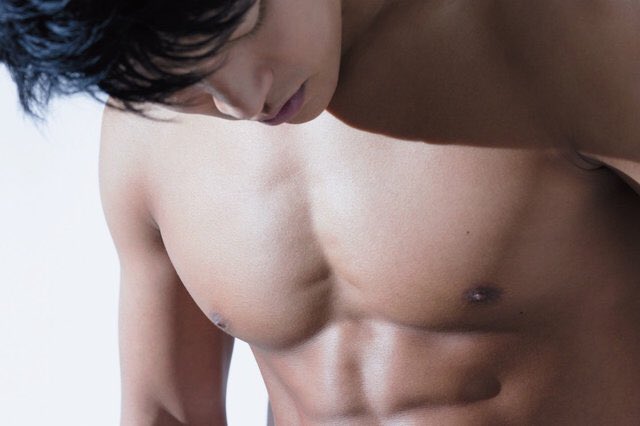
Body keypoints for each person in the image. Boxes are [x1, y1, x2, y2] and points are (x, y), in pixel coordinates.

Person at [2, 0, 640, 424]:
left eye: (241, 33)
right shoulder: (143, 132)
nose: (241, 102)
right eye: (182, 83)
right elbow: (167, 414)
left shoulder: (559, 44)